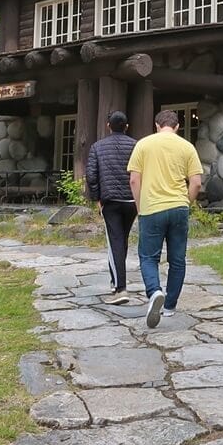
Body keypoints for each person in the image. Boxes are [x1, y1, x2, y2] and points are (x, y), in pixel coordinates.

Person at [127, 109, 203, 328]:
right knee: (177, 259)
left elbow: (134, 180)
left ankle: (154, 291)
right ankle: (169, 306)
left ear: (157, 125)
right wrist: (186, 203)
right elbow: (196, 182)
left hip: (151, 207)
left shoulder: (143, 144)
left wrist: (141, 206)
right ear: (177, 127)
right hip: (179, 206)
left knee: (149, 257)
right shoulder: (187, 147)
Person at [85, 110, 139, 305]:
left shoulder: (97, 147)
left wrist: (96, 197)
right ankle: (115, 279)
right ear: (126, 126)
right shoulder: (136, 146)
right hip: (132, 201)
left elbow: (91, 175)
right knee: (121, 239)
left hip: (111, 200)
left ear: (108, 126)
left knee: (115, 240)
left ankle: (120, 288)